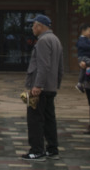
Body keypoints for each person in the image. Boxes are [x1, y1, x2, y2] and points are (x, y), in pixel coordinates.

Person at [21, 14, 63, 161]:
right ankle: (52, 149)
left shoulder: (43, 41)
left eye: (34, 25)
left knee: (35, 119)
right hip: (50, 87)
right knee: (49, 119)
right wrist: (55, 84)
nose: (32, 28)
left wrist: (38, 85)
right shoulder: (55, 39)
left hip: (40, 88)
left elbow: (43, 65)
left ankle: (37, 150)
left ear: (40, 26)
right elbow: (60, 67)